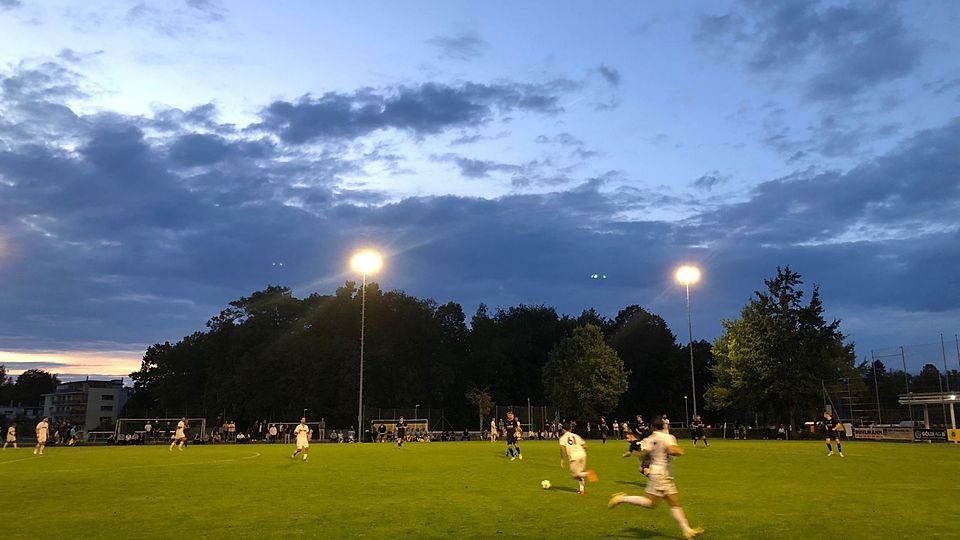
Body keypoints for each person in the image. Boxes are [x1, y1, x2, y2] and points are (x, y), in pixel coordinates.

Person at [608, 416, 704, 539]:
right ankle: (621, 498)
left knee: (673, 502)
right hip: (661, 474)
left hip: (659, 473)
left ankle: (687, 530)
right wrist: (679, 451)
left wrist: (647, 463)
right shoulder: (668, 437)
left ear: (653, 427)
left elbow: (642, 454)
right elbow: (671, 450)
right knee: (651, 503)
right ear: (664, 425)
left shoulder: (650, 438)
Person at [559, 423, 598, 494]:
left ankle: (589, 473)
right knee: (580, 473)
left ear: (563, 429)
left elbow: (562, 449)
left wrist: (562, 459)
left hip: (574, 457)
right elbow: (585, 446)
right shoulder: (576, 436)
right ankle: (581, 490)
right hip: (582, 454)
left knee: (575, 475)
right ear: (570, 429)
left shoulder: (562, 438)